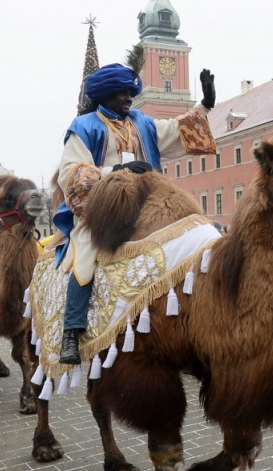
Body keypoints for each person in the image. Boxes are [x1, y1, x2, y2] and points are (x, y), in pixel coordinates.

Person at [55, 63, 216, 363]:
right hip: (102, 210)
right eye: (123, 92)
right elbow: (71, 174)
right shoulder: (85, 126)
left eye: (131, 92)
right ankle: (71, 333)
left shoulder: (142, 122)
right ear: (106, 94)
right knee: (85, 257)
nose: (129, 97)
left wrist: (205, 106)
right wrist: (115, 170)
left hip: (147, 205)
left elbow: (176, 131)